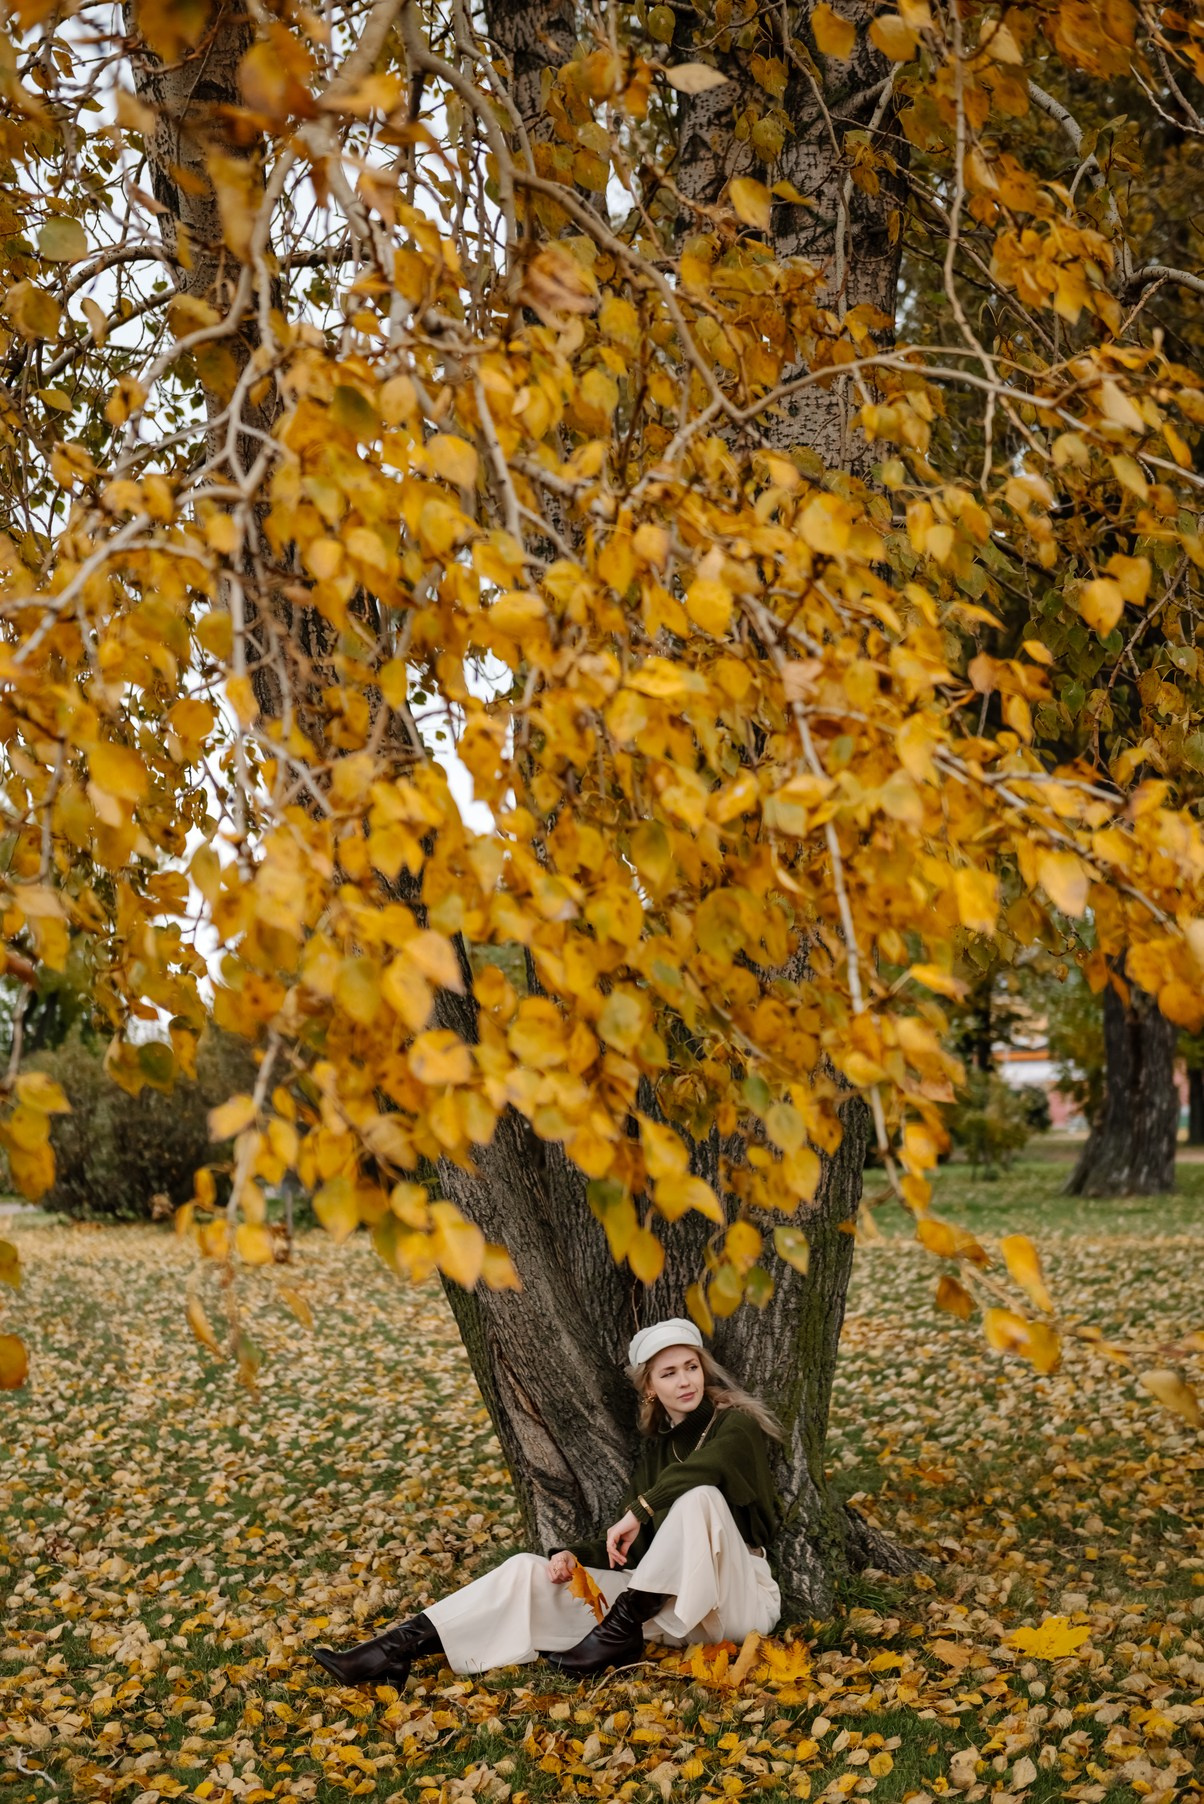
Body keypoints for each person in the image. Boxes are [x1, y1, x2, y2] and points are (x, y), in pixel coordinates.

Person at [311, 1317, 783, 1686]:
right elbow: (636, 1549)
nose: (685, 1381)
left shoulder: (733, 1425)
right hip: (674, 1612)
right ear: (649, 1387)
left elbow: (705, 1471)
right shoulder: (656, 1452)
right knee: (524, 1569)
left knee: (697, 1496)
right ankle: (389, 1653)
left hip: (737, 1599)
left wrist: (640, 1510)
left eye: (691, 1367)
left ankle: (616, 1636)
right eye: (669, 1372)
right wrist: (577, 1555)